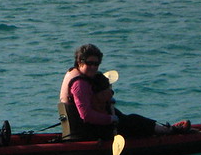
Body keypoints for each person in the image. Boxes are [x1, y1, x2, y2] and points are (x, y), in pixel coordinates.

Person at [59, 44, 190, 140]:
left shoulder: (74, 74)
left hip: (81, 128)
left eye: (96, 64)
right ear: (79, 62)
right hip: (89, 131)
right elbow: (86, 115)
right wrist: (111, 119)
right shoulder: (79, 84)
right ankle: (168, 132)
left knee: (125, 117)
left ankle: (165, 129)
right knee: (134, 120)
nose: (93, 67)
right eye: (89, 63)